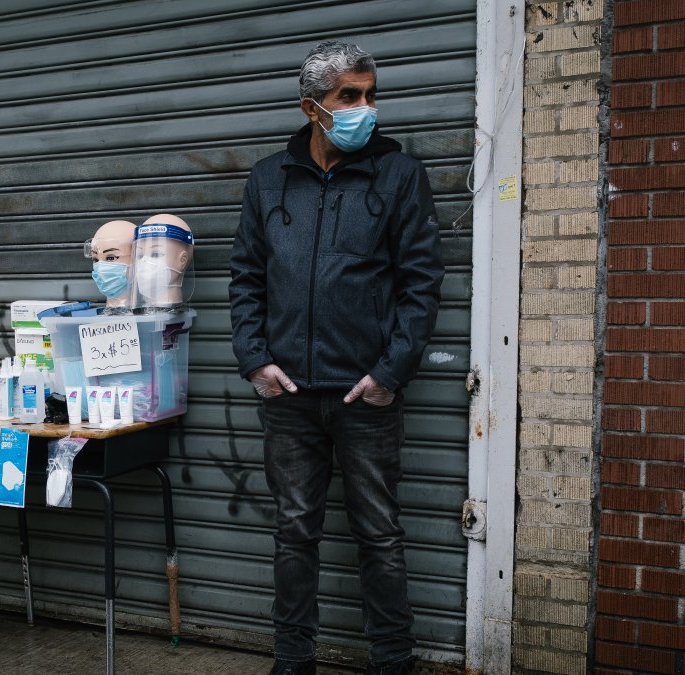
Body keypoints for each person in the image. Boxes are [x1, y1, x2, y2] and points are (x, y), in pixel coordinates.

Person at [228, 40, 443, 675]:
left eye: (370, 95)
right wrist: (255, 361)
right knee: (295, 535)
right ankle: (292, 662)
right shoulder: (269, 179)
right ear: (311, 107)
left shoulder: (399, 176)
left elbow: (421, 285)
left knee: (379, 535)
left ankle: (392, 663)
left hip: (365, 396)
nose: (364, 107)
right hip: (289, 396)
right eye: (349, 96)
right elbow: (245, 278)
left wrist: (389, 374)